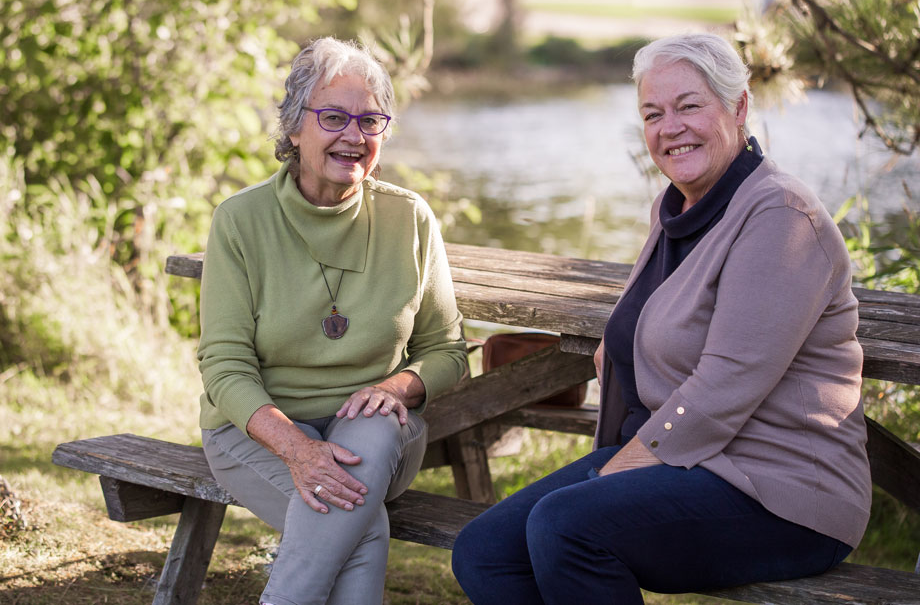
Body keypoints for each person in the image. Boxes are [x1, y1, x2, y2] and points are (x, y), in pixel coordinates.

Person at [451, 33, 871, 604]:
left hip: (783, 490)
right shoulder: (676, 209)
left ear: (739, 107)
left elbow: (725, 384)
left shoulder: (781, 217)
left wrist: (614, 472)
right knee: (485, 551)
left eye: (690, 105)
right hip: (691, 459)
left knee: (567, 527)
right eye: (653, 113)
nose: (670, 127)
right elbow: (646, 326)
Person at [197, 37, 468, 605]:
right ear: (295, 128)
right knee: (359, 523)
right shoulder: (240, 221)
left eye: (370, 120)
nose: (354, 136)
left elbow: (447, 351)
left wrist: (396, 387)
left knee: (369, 432)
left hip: (378, 439)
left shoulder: (409, 218)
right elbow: (224, 367)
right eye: (334, 117)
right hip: (257, 432)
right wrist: (296, 447)